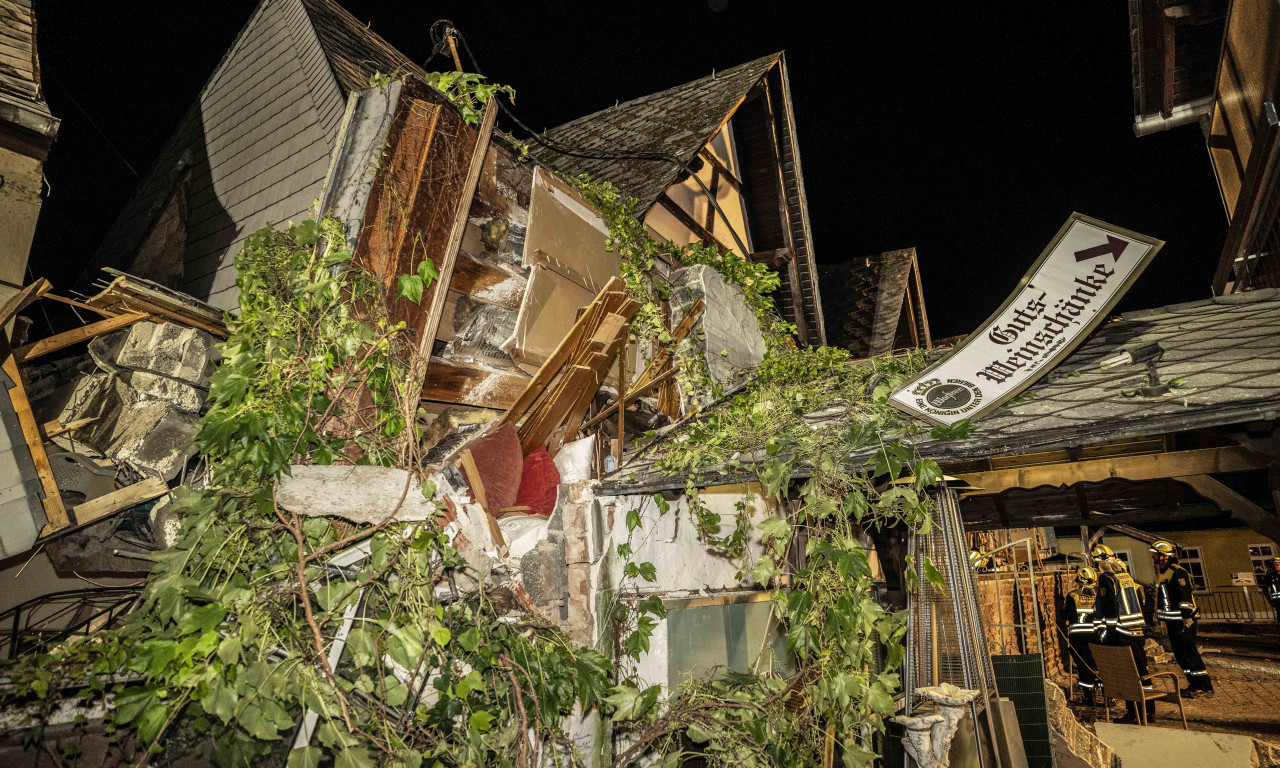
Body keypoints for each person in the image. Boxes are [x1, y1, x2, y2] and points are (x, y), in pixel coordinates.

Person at [1092, 543, 1154, 722]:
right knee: (1142, 671)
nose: (1096, 570)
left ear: (1101, 562)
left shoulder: (1107, 579)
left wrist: (1107, 631)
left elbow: (1110, 605)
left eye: (1096, 565)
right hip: (1136, 631)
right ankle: (1148, 712)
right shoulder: (1125, 576)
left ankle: (1133, 714)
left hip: (1120, 633)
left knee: (1128, 675)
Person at [1151, 540, 1214, 698]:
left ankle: (1204, 686)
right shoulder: (1164, 572)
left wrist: (1187, 618)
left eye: (1156, 554)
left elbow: (1183, 596)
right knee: (1180, 654)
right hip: (1173, 620)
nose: (1153, 557)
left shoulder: (1176, 572)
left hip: (1183, 620)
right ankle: (1193, 684)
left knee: (1189, 652)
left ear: (1164, 556)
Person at [1064, 565, 1101, 699]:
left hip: (1078, 637)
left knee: (1083, 666)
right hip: (1098, 635)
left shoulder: (1072, 596)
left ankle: (1089, 696)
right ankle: (1107, 695)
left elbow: (1067, 615)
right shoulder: (1100, 594)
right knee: (1100, 665)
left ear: (1081, 580)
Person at [1261, 557, 1280, 623]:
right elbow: (1264, 588)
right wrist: (1269, 600)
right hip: (1277, 601)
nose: (1275, 566)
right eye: (1274, 565)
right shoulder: (1269, 576)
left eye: (1277, 564)